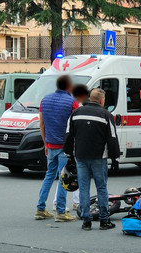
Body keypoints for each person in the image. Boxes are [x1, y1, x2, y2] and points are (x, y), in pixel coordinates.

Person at [64, 88, 121, 231]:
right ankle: (104, 220)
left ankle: (86, 221)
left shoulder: (76, 114)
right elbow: (112, 138)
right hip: (99, 157)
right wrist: (115, 159)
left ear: (90, 98)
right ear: (101, 101)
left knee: (83, 188)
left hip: (80, 157)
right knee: (101, 188)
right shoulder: (106, 115)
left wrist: (70, 155)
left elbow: (68, 135)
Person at [35, 75, 79, 221]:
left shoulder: (44, 100)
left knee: (49, 176)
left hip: (50, 145)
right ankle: (61, 212)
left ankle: (40, 209)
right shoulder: (72, 103)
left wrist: (45, 143)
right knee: (63, 179)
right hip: (64, 147)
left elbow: (41, 124)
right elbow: (74, 127)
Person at [53, 84, 89, 212]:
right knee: (73, 174)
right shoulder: (74, 106)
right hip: (73, 145)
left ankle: (63, 201)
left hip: (59, 142)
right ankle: (70, 202)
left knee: (68, 173)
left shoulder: (63, 103)